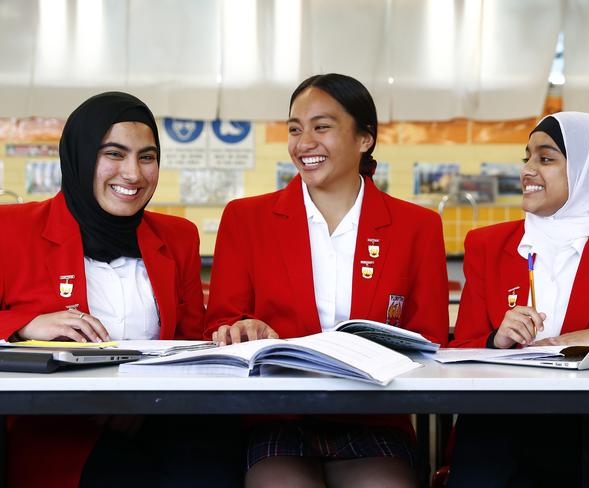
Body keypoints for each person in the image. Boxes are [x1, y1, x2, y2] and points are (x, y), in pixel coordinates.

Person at [205, 73, 449, 487]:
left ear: (365, 139)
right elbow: (216, 326)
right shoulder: (246, 219)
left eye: (322, 127)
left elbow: (430, 339)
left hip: (375, 415)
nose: (304, 143)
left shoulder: (416, 226)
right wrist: (240, 330)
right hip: (277, 415)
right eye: (295, 129)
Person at [0, 92, 242, 488]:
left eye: (147, 157)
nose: (133, 173)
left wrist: (144, 400)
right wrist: (24, 325)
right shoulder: (12, 229)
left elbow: (191, 342)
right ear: (80, 156)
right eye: (114, 154)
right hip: (62, 430)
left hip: (164, 419)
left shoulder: (177, 237)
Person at [448, 112, 589, 487]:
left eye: (545, 158)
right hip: (495, 419)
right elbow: (459, 347)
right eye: (526, 157)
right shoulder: (488, 245)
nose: (527, 169)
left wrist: (584, 337)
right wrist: (497, 340)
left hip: (586, 423)